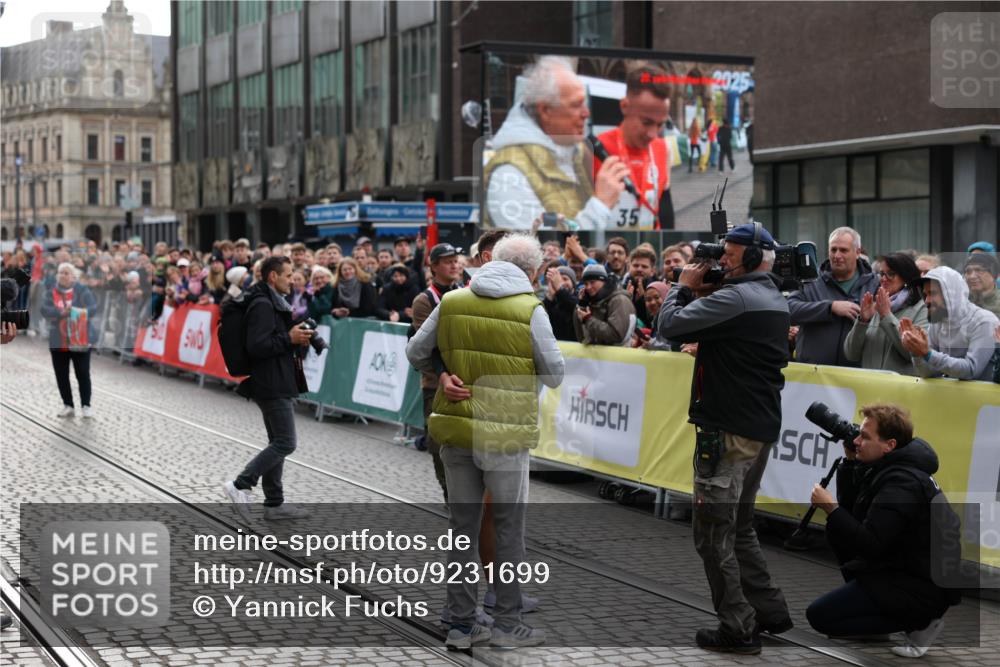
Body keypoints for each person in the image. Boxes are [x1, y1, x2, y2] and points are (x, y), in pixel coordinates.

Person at [406, 234, 564, 649]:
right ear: (531, 272)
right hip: (507, 433)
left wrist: (442, 374)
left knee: (463, 529)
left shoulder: (454, 300)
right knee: (509, 528)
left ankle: (460, 625)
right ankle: (508, 626)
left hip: (459, 429)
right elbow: (554, 373)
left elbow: (416, 351)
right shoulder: (531, 308)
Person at [656, 222, 793, 655]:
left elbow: (671, 327)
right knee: (740, 527)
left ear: (753, 259)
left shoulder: (737, 298)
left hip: (729, 432)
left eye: (730, 256)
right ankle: (768, 610)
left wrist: (682, 285)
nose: (720, 263)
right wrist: (707, 290)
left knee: (713, 532)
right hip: (758, 429)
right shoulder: (769, 297)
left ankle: (738, 626)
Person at [806, 404, 960, 658]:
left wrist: (831, 508)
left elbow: (869, 543)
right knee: (839, 533)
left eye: (865, 437)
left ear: (889, 445)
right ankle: (882, 620)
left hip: (922, 588)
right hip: (904, 571)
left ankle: (921, 623)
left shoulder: (902, 483)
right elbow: (856, 518)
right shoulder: (892, 467)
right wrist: (850, 463)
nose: (856, 441)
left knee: (820, 617)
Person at [483, 55, 629, 229]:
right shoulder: (509, 174)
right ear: (545, 110)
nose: (586, 113)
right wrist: (600, 205)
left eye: (585, 104)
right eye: (576, 105)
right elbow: (540, 247)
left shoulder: (576, 152)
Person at [223, 256, 314, 521]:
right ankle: (240, 484)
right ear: (273, 277)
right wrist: (289, 338)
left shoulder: (271, 301)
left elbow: (274, 341)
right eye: (288, 275)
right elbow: (258, 345)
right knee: (286, 442)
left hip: (277, 378)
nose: (292, 279)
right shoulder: (263, 304)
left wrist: (295, 338)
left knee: (278, 441)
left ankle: (274, 504)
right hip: (271, 381)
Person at [410, 243, 466, 497]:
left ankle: (465, 491)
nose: (454, 264)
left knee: (464, 440)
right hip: (435, 382)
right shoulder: (425, 300)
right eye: (447, 261)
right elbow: (429, 344)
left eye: (456, 260)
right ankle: (449, 491)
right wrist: (442, 374)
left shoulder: (466, 293)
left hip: (464, 380)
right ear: (433, 266)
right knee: (437, 441)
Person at [595, 66, 674, 230]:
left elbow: (665, 210)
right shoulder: (594, 149)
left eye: (660, 124)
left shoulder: (663, 149)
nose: (653, 134)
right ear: (625, 106)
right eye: (646, 122)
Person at [789, 227, 879, 367]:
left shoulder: (875, 284)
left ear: (858, 252)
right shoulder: (810, 280)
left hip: (858, 377)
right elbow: (788, 310)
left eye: (843, 250)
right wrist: (830, 307)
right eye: (833, 250)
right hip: (814, 376)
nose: (837, 255)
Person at [900, 266, 999, 381]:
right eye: (925, 294)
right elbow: (928, 373)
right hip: (948, 397)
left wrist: (928, 354)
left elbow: (971, 370)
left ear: (951, 294)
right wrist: (916, 352)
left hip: (984, 398)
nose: (927, 300)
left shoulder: (984, 322)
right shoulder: (937, 322)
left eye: (932, 293)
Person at [843, 253, 929, 375]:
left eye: (891, 274)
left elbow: (914, 354)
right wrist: (862, 321)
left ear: (906, 277)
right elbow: (851, 354)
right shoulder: (876, 306)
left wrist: (886, 316)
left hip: (901, 391)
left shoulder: (922, 308)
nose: (884, 278)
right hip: (869, 387)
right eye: (882, 274)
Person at [41, 263, 98, 418]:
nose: (63, 275)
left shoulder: (82, 291)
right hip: (58, 339)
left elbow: (93, 308)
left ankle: (86, 405)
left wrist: (75, 312)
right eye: (61, 273)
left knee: (83, 373)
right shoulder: (50, 292)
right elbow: (44, 310)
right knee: (61, 373)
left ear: (73, 276)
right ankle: (68, 405)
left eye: (66, 273)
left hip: (80, 338)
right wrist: (61, 312)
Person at [573, 263, 636, 346]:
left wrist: (588, 320)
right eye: (586, 284)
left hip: (618, 357)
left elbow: (616, 335)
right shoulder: (591, 301)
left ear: (604, 281)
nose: (588, 287)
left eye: (592, 282)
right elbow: (581, 337)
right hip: (598, 357)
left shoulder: (619, 300)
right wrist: (582, 306)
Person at [623, 245, 658, 325]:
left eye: (644, 266)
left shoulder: (659, 291)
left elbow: (654, 323)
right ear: (629, 267)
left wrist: (643, 301)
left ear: (652, 271)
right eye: (635, 265)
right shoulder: (621, 288)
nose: (639, 269)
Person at [542, 265, 579, 341]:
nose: (561, 283)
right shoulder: (550, 300)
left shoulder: (580, 297)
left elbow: (574, 306)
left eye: (565, 279)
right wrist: (550, 298)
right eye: (558, 280)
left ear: (573, 283)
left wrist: (559, 288)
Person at [964, 252, 1000, 318]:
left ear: (994, 275)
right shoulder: (962, 301)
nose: (972, 276)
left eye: (979, 270)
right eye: (968, 271)